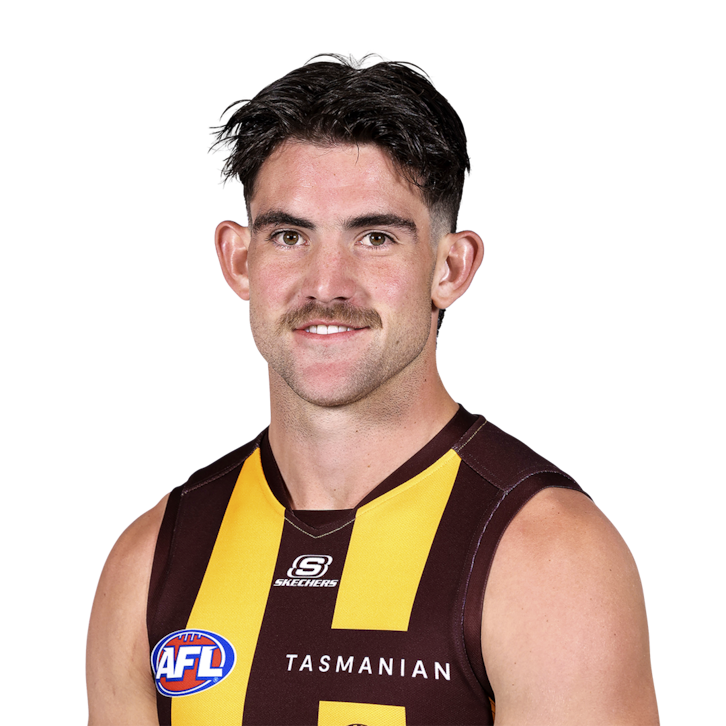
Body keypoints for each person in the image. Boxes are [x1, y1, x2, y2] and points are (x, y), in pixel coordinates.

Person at [85, 50, 660, 725]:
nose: (326, 285)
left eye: (376, 237)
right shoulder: (150, 560)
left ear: (452, 268)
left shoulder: (551, 557)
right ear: (237, 260)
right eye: (290, 236)